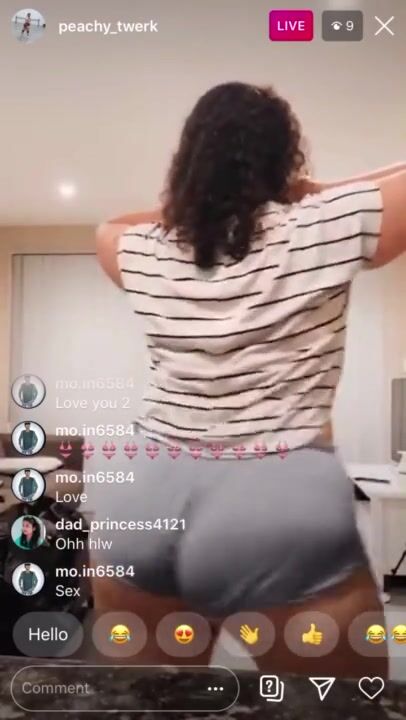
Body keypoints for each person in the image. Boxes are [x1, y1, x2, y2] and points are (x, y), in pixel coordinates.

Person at [95, 83, 406, 677]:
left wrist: (200, 201)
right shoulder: (323, 223)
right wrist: (310, 191)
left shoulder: (142, 250)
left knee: (153, 706)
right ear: (282, 158)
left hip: (143, 490)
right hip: (273, 492)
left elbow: (108, 226)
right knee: (341, 709)